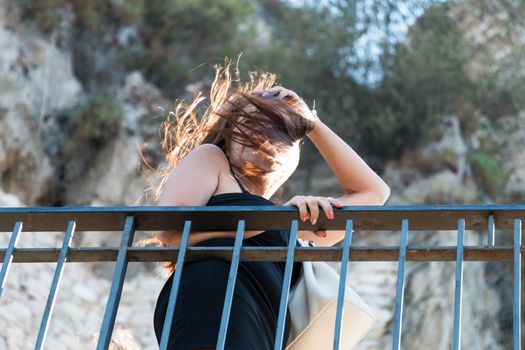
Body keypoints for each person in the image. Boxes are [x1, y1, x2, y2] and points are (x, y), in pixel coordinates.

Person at [150, 61, 390, 350]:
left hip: (263, 329)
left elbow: (373, 192)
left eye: (282, 129)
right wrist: (272, 219)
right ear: (230, 131)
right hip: (210, 299)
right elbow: (169, 228)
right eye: (253, 121)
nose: (265, 135)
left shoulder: (286, 222)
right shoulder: (213, 160)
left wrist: (312, 123)